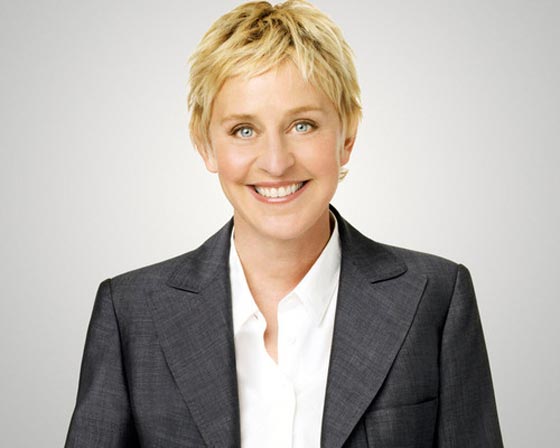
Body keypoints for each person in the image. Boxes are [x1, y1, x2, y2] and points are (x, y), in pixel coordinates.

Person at [65, 1, 503, 447]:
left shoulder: (435, 298)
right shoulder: (132, 312)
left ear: (348, 136)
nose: (276, 163)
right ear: (206, 145)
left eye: (303, 125)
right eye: (244, 130)